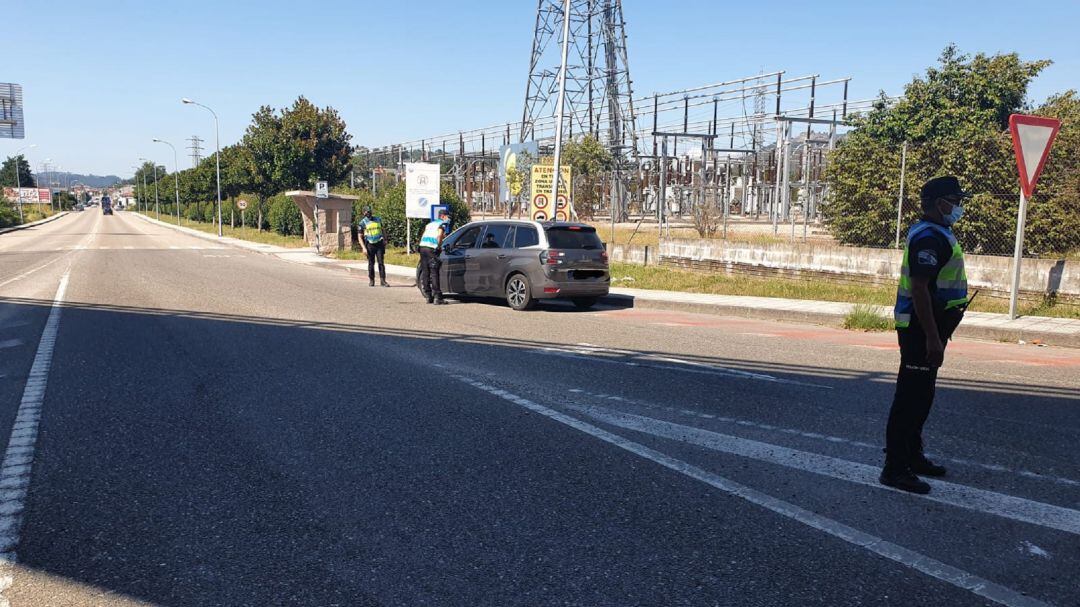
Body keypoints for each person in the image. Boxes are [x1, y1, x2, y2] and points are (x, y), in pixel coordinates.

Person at [881, 176, 971, 494]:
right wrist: (932, 337)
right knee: (910, 398)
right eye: (954, 200)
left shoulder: (939, 232)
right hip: (921, 328)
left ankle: (913, 457)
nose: (958, 206)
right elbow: (919, 289)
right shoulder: (929, 237)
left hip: (932, 325)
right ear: (938, 203)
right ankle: (895, 468)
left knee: (923, 396)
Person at [418, 208, 450, 305]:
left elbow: (424, 235)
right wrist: (438, 246)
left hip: (422, 248)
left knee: (425, 272)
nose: (448, 218)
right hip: (431, 249)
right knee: (434, 272)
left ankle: (428, 296)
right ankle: (437, 297)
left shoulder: (430, 224)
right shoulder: (441, 224)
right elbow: (439, 235)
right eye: (448, 216)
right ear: (443, 216)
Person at [358, 207, 389, 287]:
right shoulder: (362, 223)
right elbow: (360, 236)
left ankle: (383, 281)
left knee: (381, 263)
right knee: (371, 263)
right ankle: (372, 280)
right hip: (369, 244)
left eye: (369, 212)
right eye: (367, 212)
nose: (369, 213)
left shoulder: (378, 219)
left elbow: (383, 229)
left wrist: (385, 239)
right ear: (364, 213)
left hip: (379, 243)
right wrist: (363, 248)